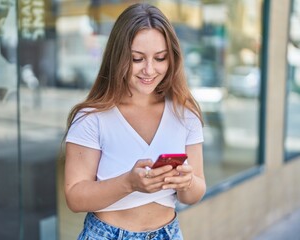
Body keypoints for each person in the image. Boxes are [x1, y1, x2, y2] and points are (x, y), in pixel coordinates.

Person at [64, 3, 206, 239]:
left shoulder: (185, 114)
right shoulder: (92, 117)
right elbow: (75, 197)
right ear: (117, 57)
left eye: (160, 58)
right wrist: (129, 183)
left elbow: (193, 194)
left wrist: (187, 182)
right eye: (137, 59)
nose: (149, 70)